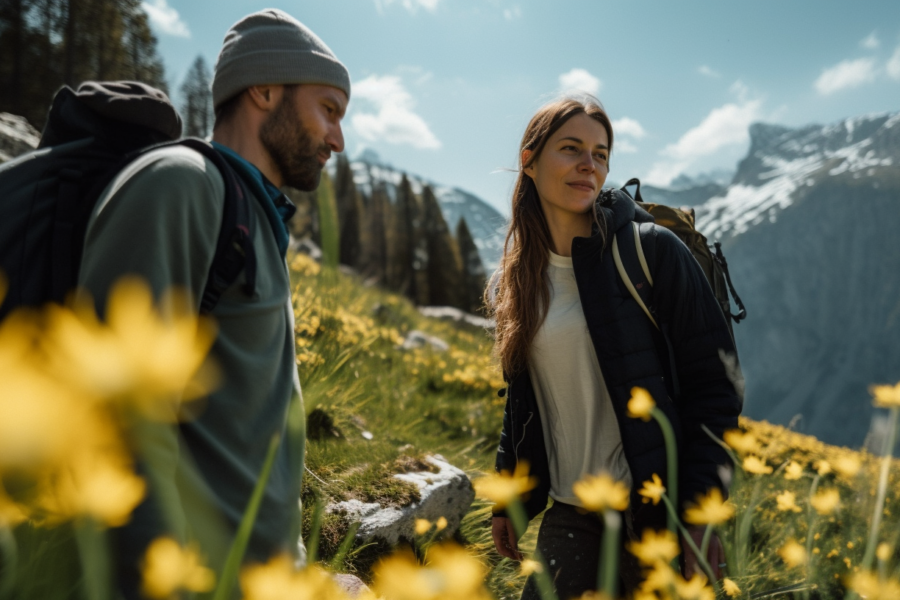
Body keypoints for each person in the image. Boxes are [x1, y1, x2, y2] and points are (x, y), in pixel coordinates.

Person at [75, 9, 349, 597]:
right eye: (328, 110)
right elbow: (119, 422)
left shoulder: (256, 220)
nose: (338, 139)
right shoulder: (181, 184)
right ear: (265, 89)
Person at [487, 96, 741, 599]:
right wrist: (508, 498)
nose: (590, 165)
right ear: (530, 161)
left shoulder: (649, 252)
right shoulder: (515, 282)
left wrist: (700, 512)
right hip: (572, 510)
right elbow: (525, 404)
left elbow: (716, 389)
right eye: (571, 148)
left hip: (658, 512)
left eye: (601, 154)